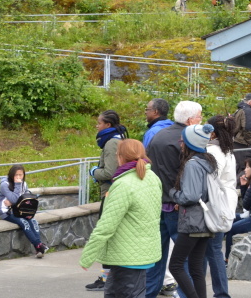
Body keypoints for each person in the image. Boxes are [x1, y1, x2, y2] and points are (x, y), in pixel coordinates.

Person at [80, 139, 162, 298]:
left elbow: (106, 225)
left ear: (120, 157)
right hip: (141, 252)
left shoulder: (123, 184)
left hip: (127, 257)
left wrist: (87, 256)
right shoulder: (152, 177)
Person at [145, 101, 203, 298]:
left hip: (157, 203)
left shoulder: (158, 135)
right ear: (190, 120)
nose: (201, 120)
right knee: (183, 259)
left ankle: (149, 293)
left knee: (155, 257)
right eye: (199, 116)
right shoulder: (187, 141)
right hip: (179, 205)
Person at [169, 124, 217, 298]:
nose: (180, 144)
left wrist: (173, 193)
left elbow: (190, 196)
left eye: (183, 141)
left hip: (192, 222)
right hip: (206, 221)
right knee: (196, 268)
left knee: (175, 265)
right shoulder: (207, 161)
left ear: (190, 143)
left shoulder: (192, 165)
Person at [87, 110, 129, 291]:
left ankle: (107, 279)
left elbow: (110, 172)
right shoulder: (117, 140)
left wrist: (94, 172)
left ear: (108, 125)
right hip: (113, 193)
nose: (97, 126)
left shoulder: (112, 143)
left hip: (110, 194)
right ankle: (111, 277)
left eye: (99, 123)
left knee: (106, 236)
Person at [203, 115, 238, 298]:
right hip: (226, 205)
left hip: (214, 207)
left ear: (213, 133)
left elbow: (210, 180)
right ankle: (221, 293)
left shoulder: (213, 153)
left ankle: (219, 293)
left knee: (208, 251)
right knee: (213, 250)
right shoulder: (228, 151)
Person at [0, 164, 48, 258]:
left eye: (20, 175)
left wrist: (25, 210)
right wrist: (17, 185)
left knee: (33, 221)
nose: (18, 177)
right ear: (11, 174)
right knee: (24, 222)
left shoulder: (24, 184)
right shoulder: (4, 185)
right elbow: (14, 199)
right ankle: (38, 245)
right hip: (7, 212)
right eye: (16, 175)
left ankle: (38, 249)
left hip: (20, 211)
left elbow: (25, 199)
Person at [225, 159, 251, 262]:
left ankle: (227, 259)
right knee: (228, 220)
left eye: (247, 167)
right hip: (248, 215)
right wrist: (243, 186)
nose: (245, 170)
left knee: (231, 229)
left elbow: (246, 204)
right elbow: (246, 206)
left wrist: (246, 187)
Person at [232, 94, 251, 182]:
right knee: (243, 167)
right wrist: (249, 142)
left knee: (237, 167)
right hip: (243, 144)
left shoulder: (240, 109)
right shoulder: (248, 111)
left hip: (237, 141)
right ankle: (240, 187)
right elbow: (248, 128)